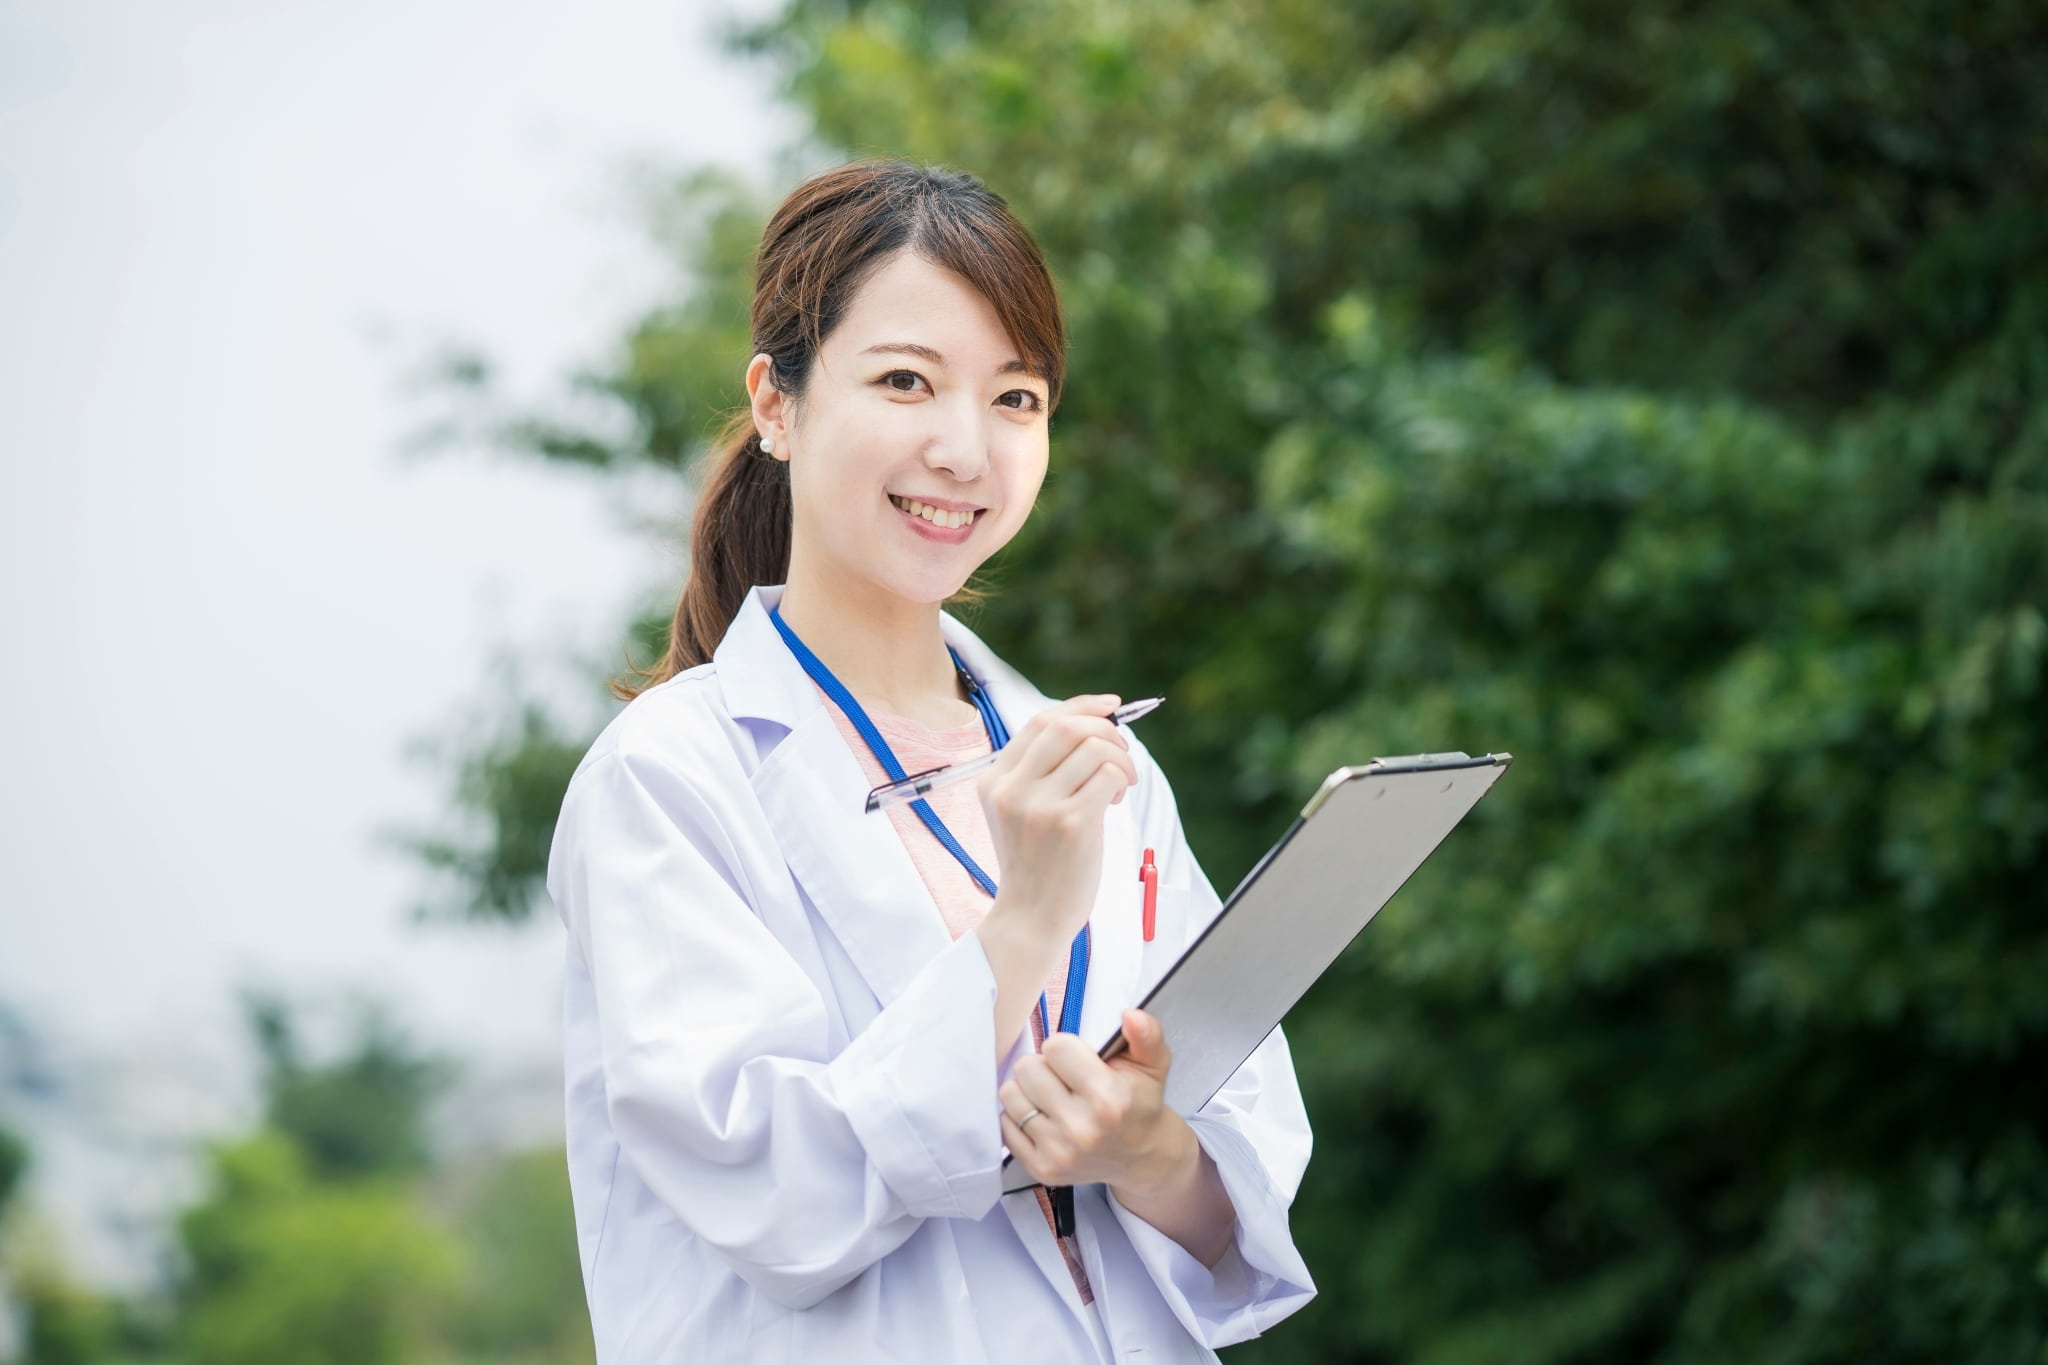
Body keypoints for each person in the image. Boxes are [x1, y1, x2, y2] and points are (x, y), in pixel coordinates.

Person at [545, 158, 1315, 1364]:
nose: (965, 449)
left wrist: (1144, 1148)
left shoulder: (1097, 764)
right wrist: (1024, 926)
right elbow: (774, 1196)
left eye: (1017, 399)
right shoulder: (668, 779)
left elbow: (1243, 1185)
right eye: (906, 382)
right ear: (777, 404)